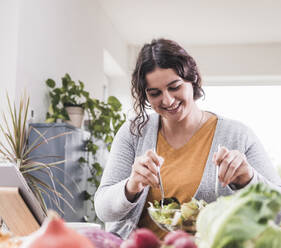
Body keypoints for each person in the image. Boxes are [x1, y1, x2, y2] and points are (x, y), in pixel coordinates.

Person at [94, 38, 281, 239]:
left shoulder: (237, 135)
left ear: (192, 80)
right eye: (155, 93)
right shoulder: (133, 132)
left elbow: (278, 213)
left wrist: (248, 180)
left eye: (174, 87)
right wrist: (131, 186)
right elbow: (103, 210)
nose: (167, 100)